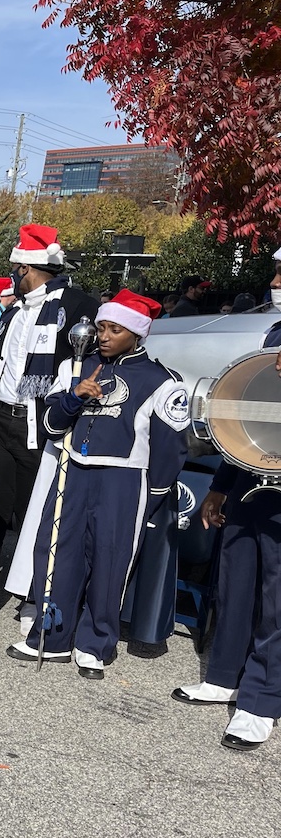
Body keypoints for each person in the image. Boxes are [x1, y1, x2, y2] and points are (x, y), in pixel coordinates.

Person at [6, 290, 188, 679]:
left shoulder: (162, 380)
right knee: (57, 553)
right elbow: (51, 427)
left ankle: (95, 643)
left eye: (115, 329)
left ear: (137, 334)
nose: (103, 336)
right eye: (102, 327)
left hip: (123, 479)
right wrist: (74, 397)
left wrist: (154, 496)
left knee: (110, 560)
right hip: (72, 471)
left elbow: (170, 449)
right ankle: (51, 637)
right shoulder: (76, 367)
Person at [0, 224, 98, 608]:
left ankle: (35, 594)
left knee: (35, 513)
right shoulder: (14, 310)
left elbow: (86, 364)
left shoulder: (80, 306)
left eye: (16, 269)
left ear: (25, 269)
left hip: (39, 424)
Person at [172, 321, 281, 750]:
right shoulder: (275, 331)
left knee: (276, 603)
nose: (275, 284)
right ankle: (224, 676)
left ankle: (261, 700)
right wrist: (220, 485)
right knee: (234, 585)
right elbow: (248, 411)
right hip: (252, 477)